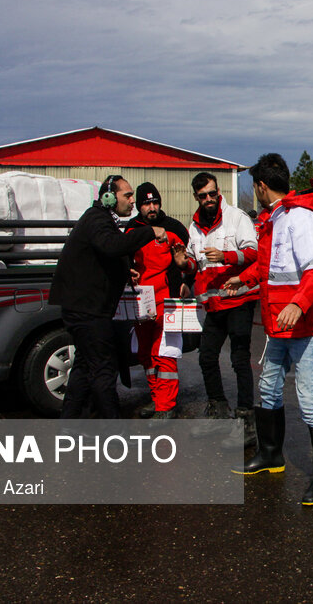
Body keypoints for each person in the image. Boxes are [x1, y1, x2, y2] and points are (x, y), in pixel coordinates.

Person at [224, 153, 313, 506]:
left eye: (254, 187)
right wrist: (242, 280)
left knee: (309, 400)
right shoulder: (277, 218)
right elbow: (269, 267)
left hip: (304, 325)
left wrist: (297, 304)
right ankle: (271, 455)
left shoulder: (301, 219)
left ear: (261, 185)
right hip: (279, 325)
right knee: (269, 389)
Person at [49, 175, 166, 419]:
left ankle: (68, 424)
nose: (132, 201)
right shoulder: (97, 219)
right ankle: (114, 433)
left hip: (87, 309)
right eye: (128, 195)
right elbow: (111, 245)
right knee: (104, 371)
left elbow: (100, 257)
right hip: (88, 312)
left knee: (83, 368)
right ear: (109, 197)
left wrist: (124, 272)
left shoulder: (100, 219)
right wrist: (148, 232)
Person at [182, 172, 260, 440]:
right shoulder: (193, 227)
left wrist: (226, 255)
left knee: (239, 359)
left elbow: (254, 252)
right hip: (213, 304)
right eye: (203, 196)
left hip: (239, 298)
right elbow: (195, 263)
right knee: (206, 357)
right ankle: (218, 410)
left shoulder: (237, 218)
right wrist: (184, 264)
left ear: (218, 192)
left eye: (212, 193)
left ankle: (246, 420)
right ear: (196, 197)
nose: (209, 199)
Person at [125, 182, 192, 423]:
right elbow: (123, 258)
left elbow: (190, 258)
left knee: (164, 353)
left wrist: (188, 281)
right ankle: (156, 398)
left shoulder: (173, 228)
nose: (152, 208)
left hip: (168, 299)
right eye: (146, 203)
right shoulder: (131, 229)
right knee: (146, 354)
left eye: (155, 202)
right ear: (139, 206)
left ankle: (166, 406)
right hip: (141, 300)